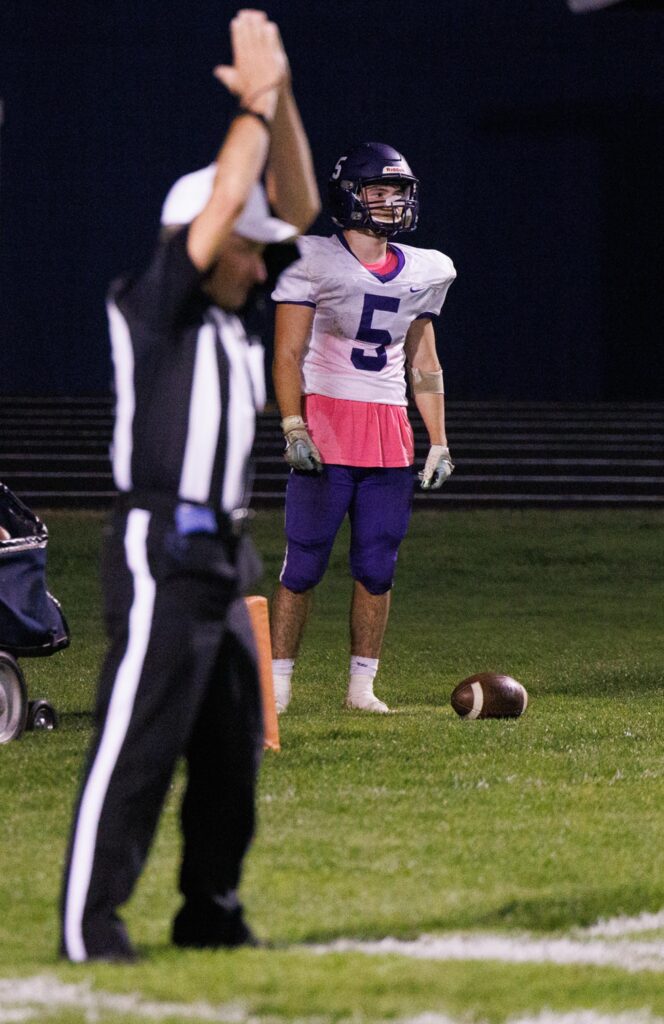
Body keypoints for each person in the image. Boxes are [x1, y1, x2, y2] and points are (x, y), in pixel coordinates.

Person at [60, 9, 319, 962]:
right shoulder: (155, 301)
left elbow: (293, 207)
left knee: (230, 755)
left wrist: (281, 95)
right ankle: (91, 929)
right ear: (197, 238)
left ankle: (208, 909)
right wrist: (249, 108)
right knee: (135, 746)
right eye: (241, 248)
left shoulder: (227, 325)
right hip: (160, 543)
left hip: (225, 550)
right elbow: (229, 221)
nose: (261, 262)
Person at [270, 141, 456, 715]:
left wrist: (440, 440)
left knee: (377, 563)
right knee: (304, 563)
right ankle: (277, 685)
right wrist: (292, 425)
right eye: (379, 191)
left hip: (389, 430)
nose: (391, 203)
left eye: (398, 193)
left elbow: (424, 364)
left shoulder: (428, 268)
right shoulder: (312, 259)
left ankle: (360, 688)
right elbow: (287, 351)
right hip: (326, 418)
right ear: (350, 196)